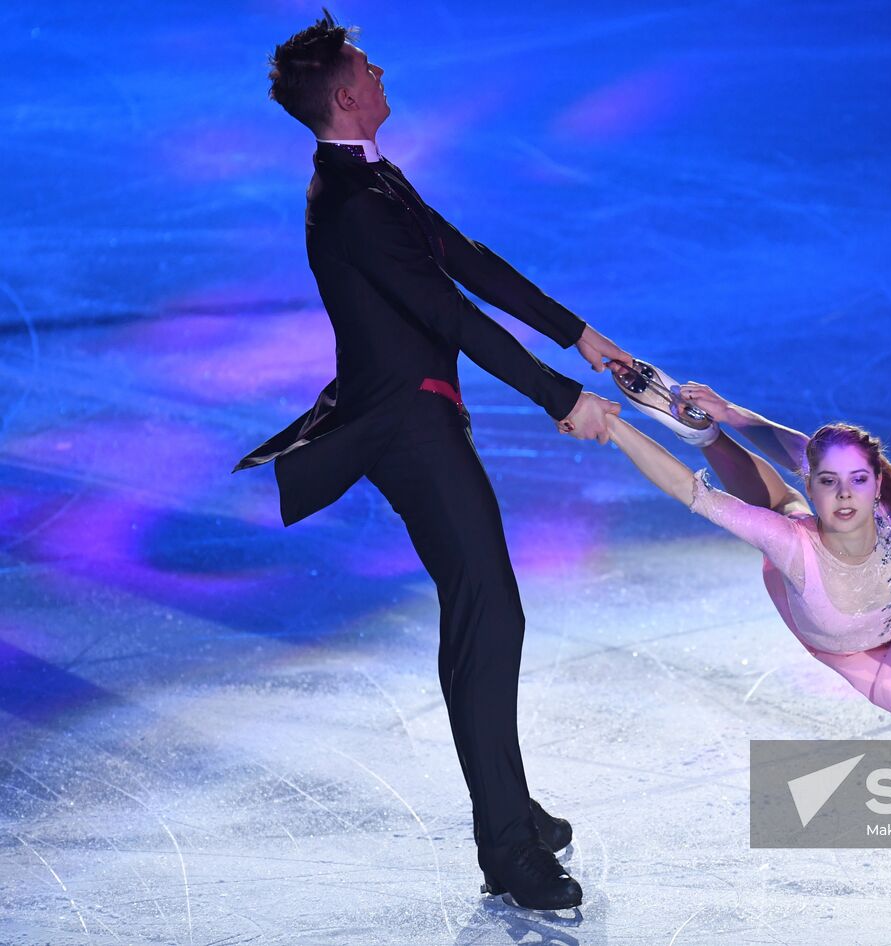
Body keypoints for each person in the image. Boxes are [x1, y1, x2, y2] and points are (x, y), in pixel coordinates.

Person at [233, 10, 628, 912]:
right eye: (368, 65)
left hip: (423, 418)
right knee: (488, 610)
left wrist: (582, 339)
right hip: (403, 429)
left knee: (482, 612)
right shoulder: (350, 206)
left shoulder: (372, 182)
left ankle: (508, 803)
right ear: (344, 93)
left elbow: (468, 261)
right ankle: (507, 849)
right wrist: (560, 398)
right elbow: (450, 315)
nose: (381, 72)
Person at [584, 360, 891, 724]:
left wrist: (733, 410)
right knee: (781, 509)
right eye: (828, 482)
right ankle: (705, 437)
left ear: (877, 485)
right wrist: (617, 427)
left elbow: (804, 452)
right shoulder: (793, 541)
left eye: (857, 481)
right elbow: (690, 490)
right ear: (813, 485)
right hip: (827, 596)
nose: (842, 493)